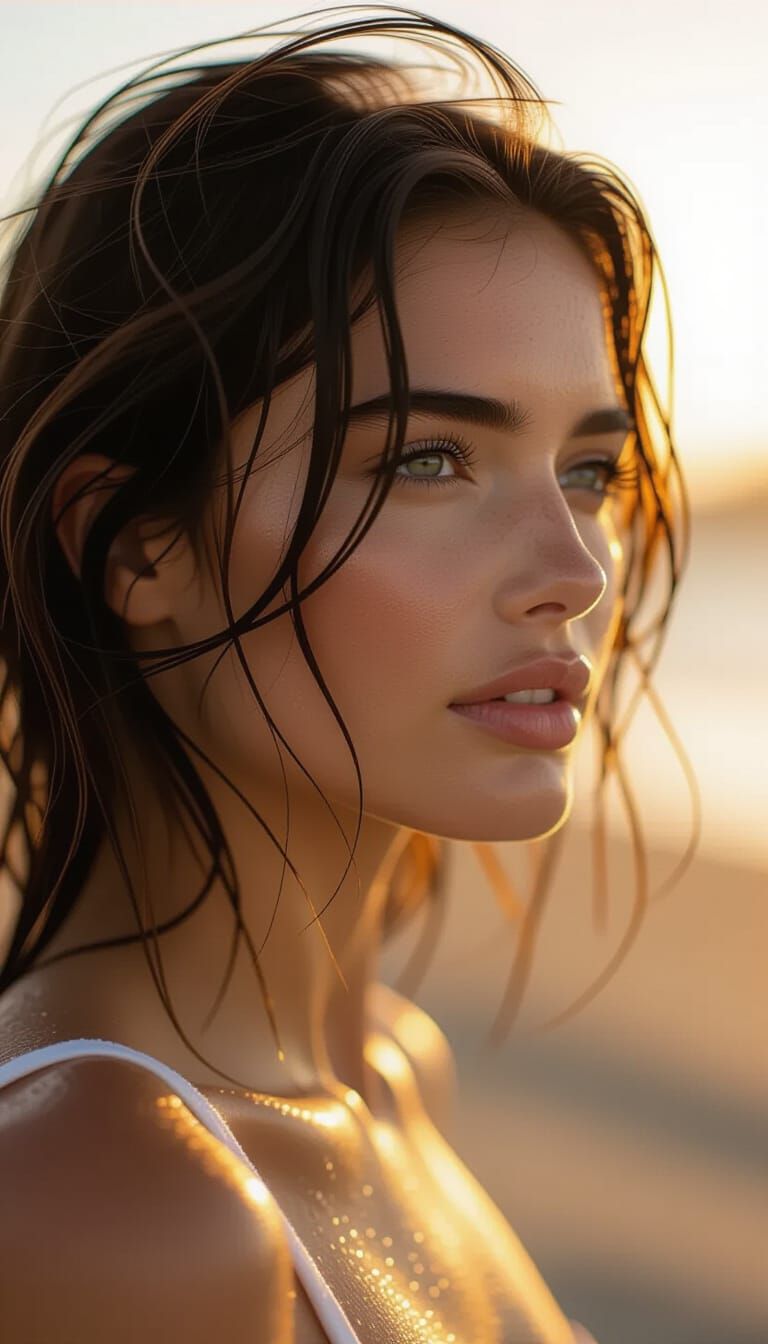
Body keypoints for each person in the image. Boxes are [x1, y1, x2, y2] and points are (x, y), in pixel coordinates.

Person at [0, 6, 689, 1342]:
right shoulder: (102, 1205)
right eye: (428, 460)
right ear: (137, 547)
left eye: (589, 471)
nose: (574, 567)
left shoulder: (381, 1067)